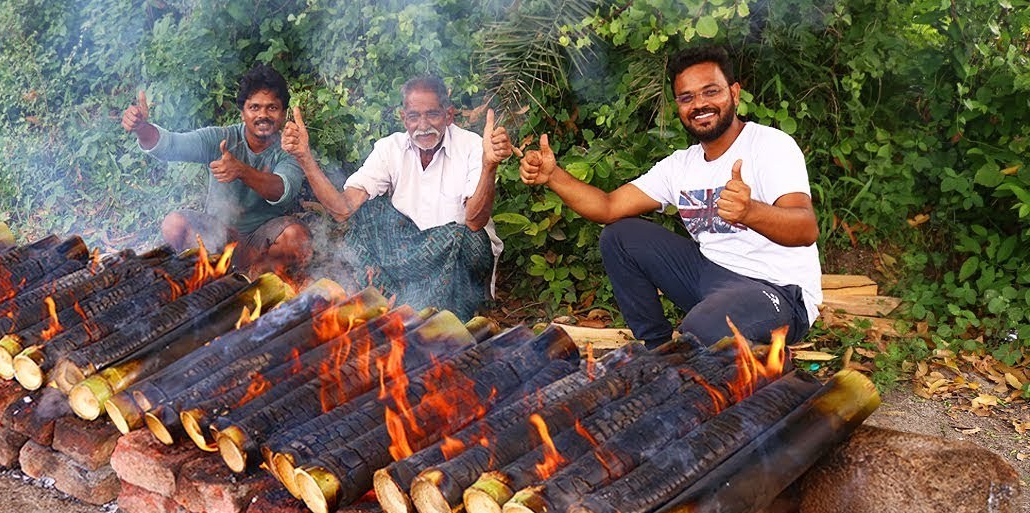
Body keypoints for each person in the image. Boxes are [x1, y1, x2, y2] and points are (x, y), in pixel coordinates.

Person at [519, 45, 821, 348]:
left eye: (711, 92)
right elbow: (608, 207)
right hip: (710, 276)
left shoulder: (770, 146)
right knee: (620, 236)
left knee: (700, 332)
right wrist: (553, 176)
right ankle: (657, 350)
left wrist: (750, 212)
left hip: (777, 290)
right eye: (687, 98)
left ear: (735, 93)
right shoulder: (680, 165)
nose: (700, 104)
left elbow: (806, 229)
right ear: (678, 105)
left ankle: (721, 355)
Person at [281, 76, 512, 318]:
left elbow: (475, 221)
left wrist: (489, 165)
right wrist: (304, 158)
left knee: (462, 237)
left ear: (449, 115)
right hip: (405, 256)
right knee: (367, 214)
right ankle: (395, 302)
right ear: (403, 118)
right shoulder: (389, 148)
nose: (423, 125)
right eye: (414, 116)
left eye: (432, 114)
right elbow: (343, 209)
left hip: (457, 255)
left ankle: (423, 313)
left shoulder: (473, 146)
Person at [121, 64, 310, 272]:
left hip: (263, 241)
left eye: (272, 108)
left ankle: (252, 276)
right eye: (254, 107)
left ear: (283, 114)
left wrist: (241, 171)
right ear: (242, 113)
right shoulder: (222, 138)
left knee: (296, 238)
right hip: (218, 234)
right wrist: (141, 128)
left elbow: (283, 190)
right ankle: (216, 273)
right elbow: (171, 146)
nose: (262, 115)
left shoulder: (290, 149)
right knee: (174, 224)